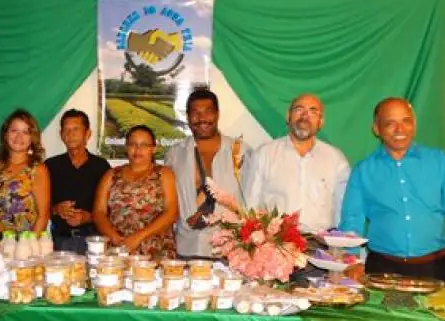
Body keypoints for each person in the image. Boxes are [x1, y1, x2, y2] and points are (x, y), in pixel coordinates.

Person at [340, 97, 445, 291]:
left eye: (406, 121)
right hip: (381, 270)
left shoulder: (442, 163)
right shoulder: (363, 171)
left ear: (414, 125)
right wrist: (351, 261)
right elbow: (352, 220)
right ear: (376, 129)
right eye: (390, 123)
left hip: (436, 268)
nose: (399, 129)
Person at [242, 93, 350, 233]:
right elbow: (249, 205)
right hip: (275, 245)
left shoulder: (335, 159)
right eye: (299, 109)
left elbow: (343, 210)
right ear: (288, 116)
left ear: (321, 121)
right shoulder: (264, 154)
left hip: (321, 247)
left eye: (313, 111)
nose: (305, 116)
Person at [164, 87, 250, 259]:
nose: (202, 118)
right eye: (195, 112)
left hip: (229, 251)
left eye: (208, 111)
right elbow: (167, 200)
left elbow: (252, 199)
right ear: (187, 117)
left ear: (217, 114)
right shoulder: (174, 154)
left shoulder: (240, 151)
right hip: (185, 247)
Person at [93, 125, 178, 259]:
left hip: (155, 251)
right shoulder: (111, 175)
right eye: (133, 144)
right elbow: (98, 213)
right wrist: (113, 237)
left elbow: (171, 213)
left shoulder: (163, 174)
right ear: (126, 147)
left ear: (153, 149)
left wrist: (138, 237)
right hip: (118, 250)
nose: (138, 150)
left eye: (144, 145)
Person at [44, 109, 111, 254]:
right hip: (60, 241)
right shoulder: (50, 166)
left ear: (88, 134)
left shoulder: (101, 166)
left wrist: (88, 217)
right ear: (61, 135)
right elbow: (38, 207)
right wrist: (56, 209)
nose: (70, 134)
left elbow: (111, 209)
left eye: (76, 129)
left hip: (94, 241)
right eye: (66, 130)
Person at [0, 109, 51, 238]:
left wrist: (29, 248)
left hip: (25, 245)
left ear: (32, 137)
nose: (19, 137)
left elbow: (43, 215)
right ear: (5, 133)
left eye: (25, 132)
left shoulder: (38, 169)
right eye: (14, 131)